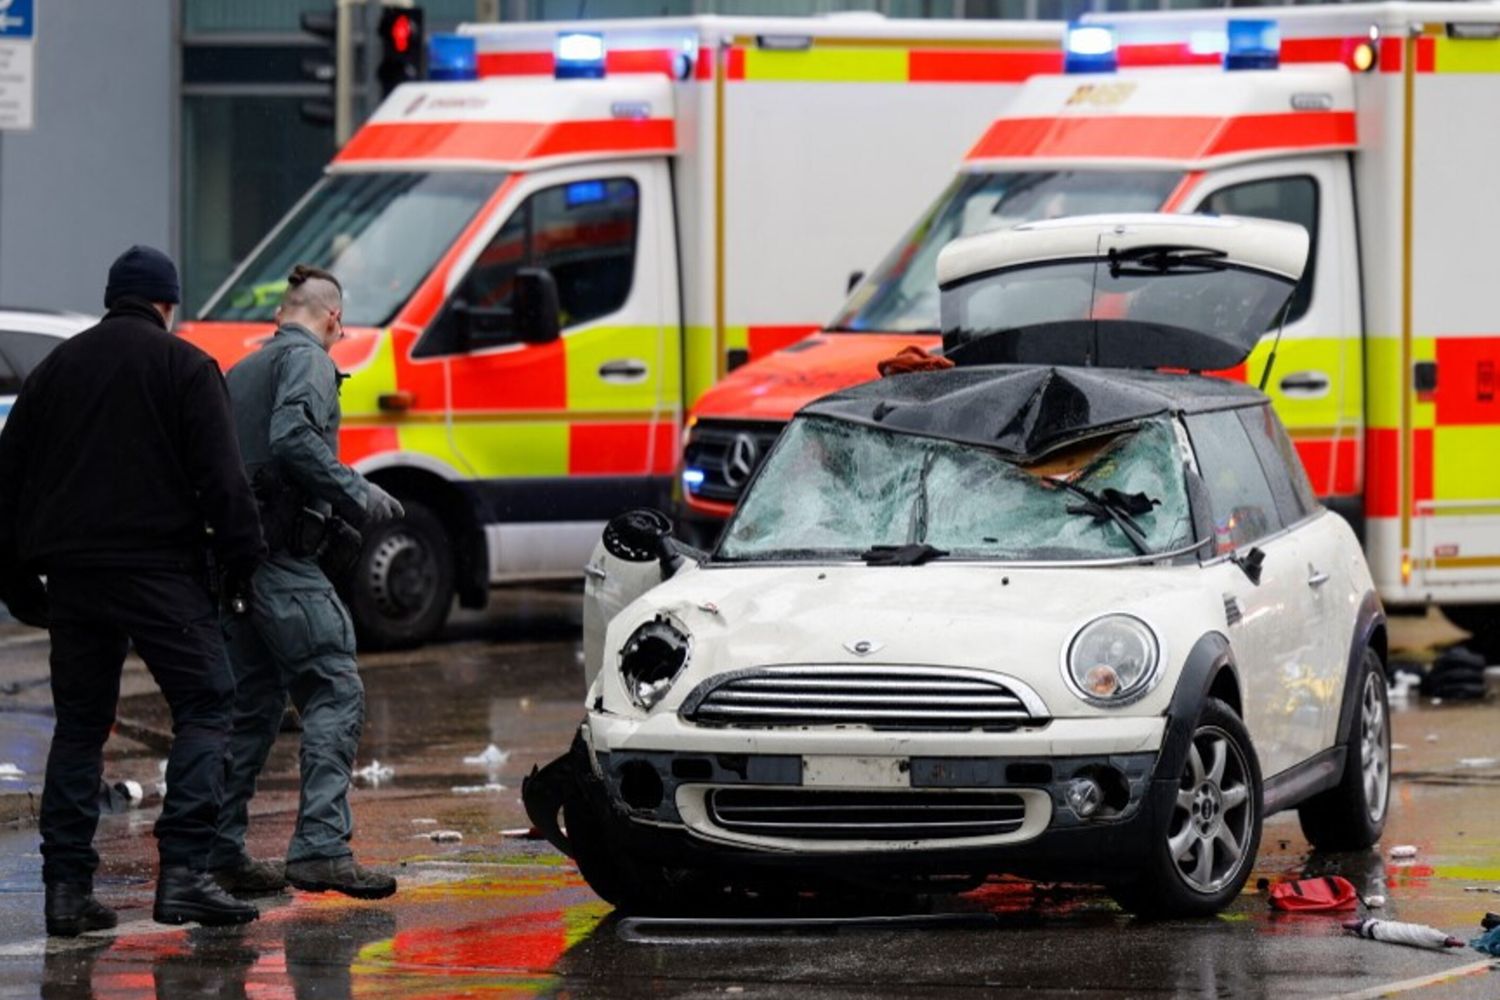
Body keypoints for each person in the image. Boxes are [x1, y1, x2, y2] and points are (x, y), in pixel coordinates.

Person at [0, 246, 265, 935]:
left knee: (81, 726)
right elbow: (224, 481)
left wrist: (18, 579)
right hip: (160, 571)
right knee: (207, 702)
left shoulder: (55, 370)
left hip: (76, 576)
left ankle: (65, 892)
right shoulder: (184, 366)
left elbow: (6, 482)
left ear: (113, 296)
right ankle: (185, 874)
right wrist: (244, 565)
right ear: (167, 304)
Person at [210, 264, 404, 899]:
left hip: (236, 568)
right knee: (333, 687)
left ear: (279, 314)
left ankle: (220, 851)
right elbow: (293, 438)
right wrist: (358, 493)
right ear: (331, 319)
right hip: (283, 564)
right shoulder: (312, 362)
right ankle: (321, 846)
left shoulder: (241, 374)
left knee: (254, 705)